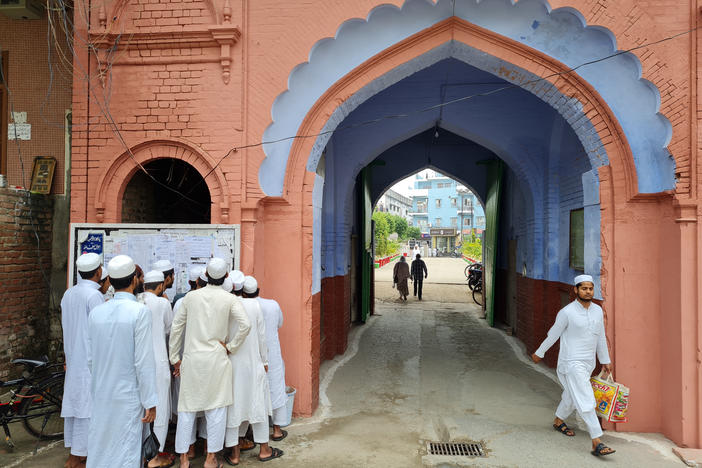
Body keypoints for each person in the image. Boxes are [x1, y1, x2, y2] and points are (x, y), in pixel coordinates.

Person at [169, 258, 251, 468]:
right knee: (216, 410)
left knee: (187, 410)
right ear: (225, 276)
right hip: (217, 360)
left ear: (205, 274)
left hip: (192, 360)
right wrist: (231, 346)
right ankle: (210, 459)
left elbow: (177, 327)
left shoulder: (191, 297)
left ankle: (184, 460)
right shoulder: (229, 299)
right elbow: (246, 325)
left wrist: (174, 359)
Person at [531, 274, 616, 457]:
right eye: (584, 288)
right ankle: (597, 441)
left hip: (588, 363)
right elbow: (553, 334)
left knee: (571, 394)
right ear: (575, 290)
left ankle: (558, 420)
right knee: (585, 398)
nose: (588, 291)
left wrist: (605, 360)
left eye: (590, 288)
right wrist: (540, 352)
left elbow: (600, 337)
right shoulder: (567, 312)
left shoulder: (597, 311)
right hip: (570, 362)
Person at [87, 255, 157, 468]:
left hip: (101, 392)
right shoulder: (140, 312)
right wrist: (150, 401)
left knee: (101, 445)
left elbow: (91, 359)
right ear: (135, 279)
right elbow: (143, 362)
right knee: (126, 450)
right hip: (128, 394)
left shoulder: (97, 313)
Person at [224, 276, 283, 465]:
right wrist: (265, 360)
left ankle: (234, 454)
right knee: (258, 404)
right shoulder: (253, 306)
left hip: (232, 364)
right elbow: (261, 336)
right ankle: (264, 449)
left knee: (234, 407)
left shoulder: (227, 306)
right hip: (254, 362)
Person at [60, 253, 105, 468]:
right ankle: (77, 458)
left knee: (77, 406)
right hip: (90, 362)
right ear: (98, 272)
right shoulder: (94, 296)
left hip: (74, 358)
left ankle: (77, 454)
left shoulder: (69, 293)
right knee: (87, 409)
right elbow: (100, 331)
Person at [142, 270, 175, 468]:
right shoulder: (162, 303)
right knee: (161, 408)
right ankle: (157, 454)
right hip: (160, 360)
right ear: (161, 285)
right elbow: (169, 329)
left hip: (141, 362)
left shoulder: (137, 300)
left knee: (143, 408)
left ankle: (142, 452)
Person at [254, 282, 288, 442]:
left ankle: (252, 434)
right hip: (272, 352)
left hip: (253, 355)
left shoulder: (244, 307)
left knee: (254, 392)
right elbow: (280, 323)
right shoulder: (272, 305)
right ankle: (277, 430)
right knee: (276, 387)